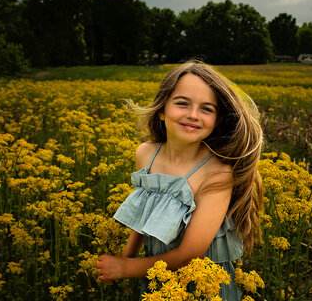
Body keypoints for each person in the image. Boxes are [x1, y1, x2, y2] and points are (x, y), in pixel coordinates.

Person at [95, 60, 263, 300]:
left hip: (204, 286)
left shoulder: (217, 173)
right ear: (162, 109)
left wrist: (125, 268)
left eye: (206, 109)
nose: (193, 115)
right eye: (182, 103)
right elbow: (145, 216)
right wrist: (126, 256)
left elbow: (189, 254)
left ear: (218, 120)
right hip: (158, 278)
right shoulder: (145, 154)